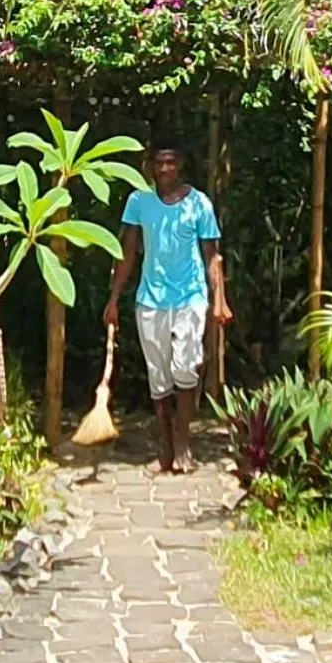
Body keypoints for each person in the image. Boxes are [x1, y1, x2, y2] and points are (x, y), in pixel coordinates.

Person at [104, 139, 230, 474]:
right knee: (159, 379)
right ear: (150, 166)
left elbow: (212, 256)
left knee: (185, 368)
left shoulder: (199, 204)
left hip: (190, 297)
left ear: (181, 165)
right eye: (159, 163)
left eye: (171, 162)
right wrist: (114, 299)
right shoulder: (138, 201)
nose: (164, 169)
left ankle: (184, 442)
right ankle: (166, 445)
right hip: (150, 300)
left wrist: (220, 300)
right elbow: (127, 254)